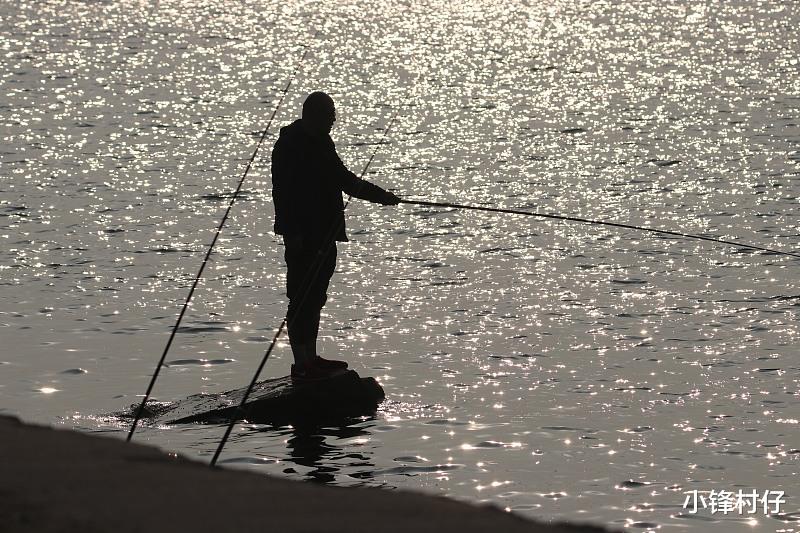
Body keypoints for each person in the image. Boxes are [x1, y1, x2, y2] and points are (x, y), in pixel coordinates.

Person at [271, 91, 400, 382]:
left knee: (316, 297)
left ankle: (311, 357)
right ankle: (301, 363)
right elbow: (282, 194)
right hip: (302, 236)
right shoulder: (289, 146)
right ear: (313, 116)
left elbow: (344, 179)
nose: (333, 122)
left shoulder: (322, 142)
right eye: (329, 117)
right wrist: (292, 234)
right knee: (301, 298)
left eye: (333, 117)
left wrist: (382, 197)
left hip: (325, 233)